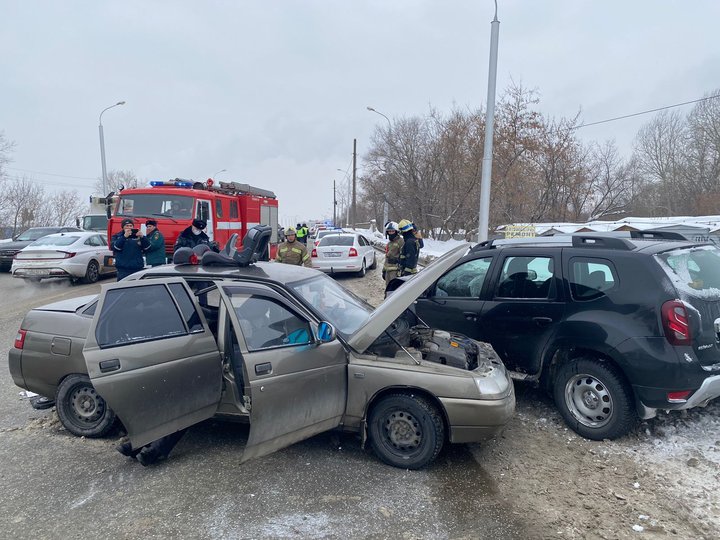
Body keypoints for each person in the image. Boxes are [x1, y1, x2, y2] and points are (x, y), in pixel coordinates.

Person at [382, 221, 404, 287]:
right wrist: (384, 270)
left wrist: (397, 261)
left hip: (395, 272)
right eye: (389, 231)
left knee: (394, 289)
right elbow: (387, 257)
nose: (391, 233)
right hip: (387, 271)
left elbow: (403, 256)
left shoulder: (401, 241)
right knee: (388, 289)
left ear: (396, 232)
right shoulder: (389, 243)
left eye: (392, 231)